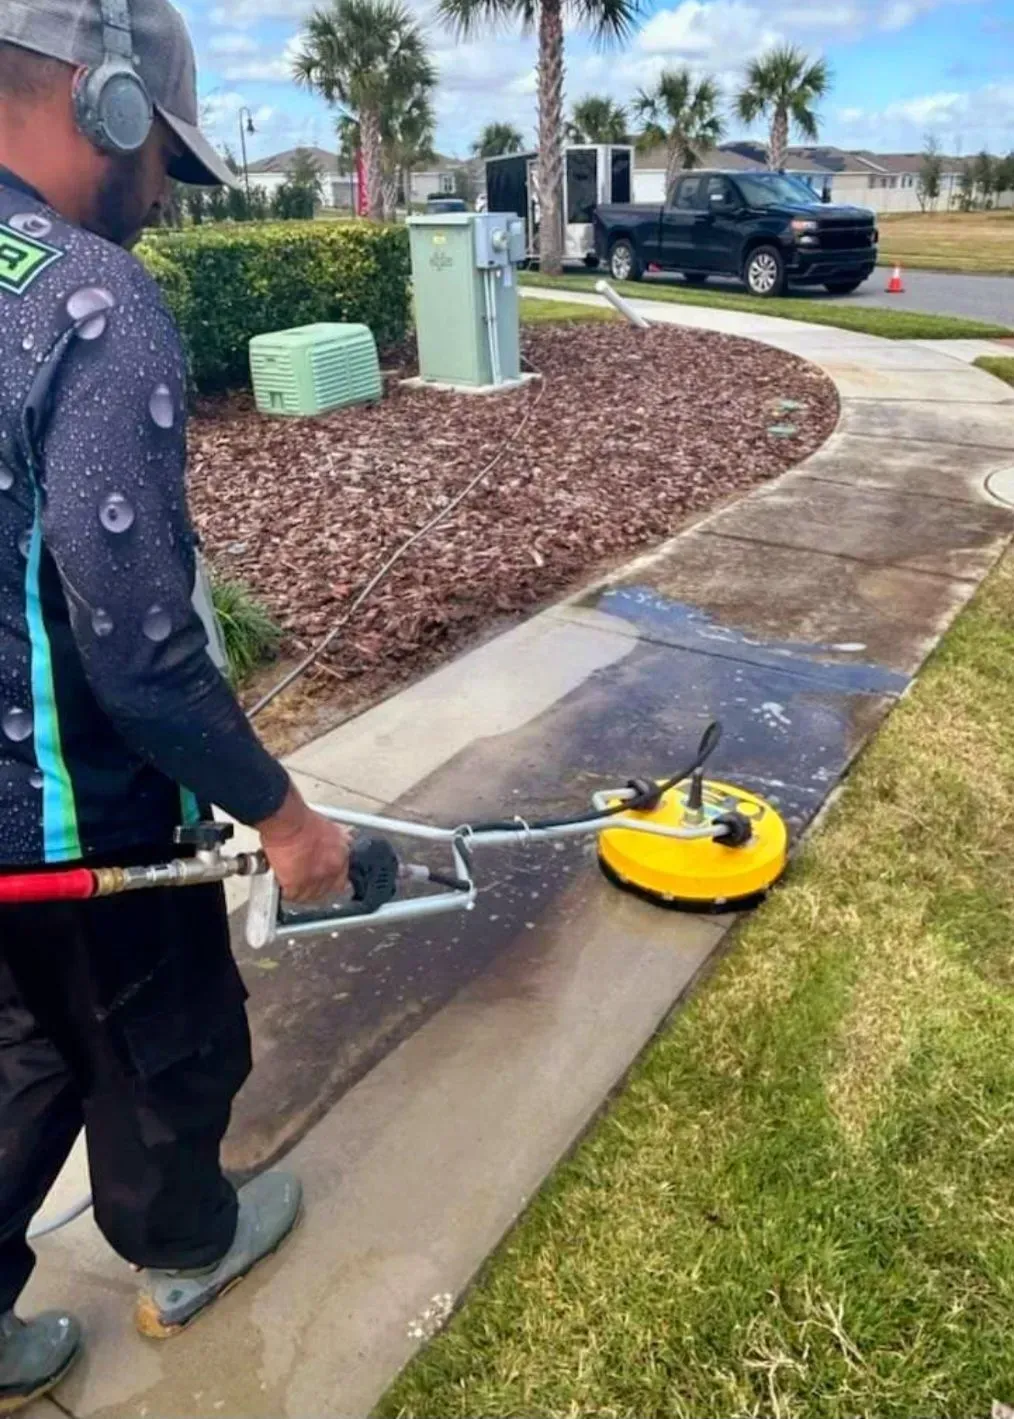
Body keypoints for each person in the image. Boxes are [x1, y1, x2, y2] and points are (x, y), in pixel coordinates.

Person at [0, 0, 353, 1407]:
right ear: (111, 105)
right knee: (168, 1033)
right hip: (82, 807)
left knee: (26, 1046)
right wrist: (283, 815)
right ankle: (184, 1240)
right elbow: (140, 654)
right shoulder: (85, 294)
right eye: (167, 161)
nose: (163, 199)